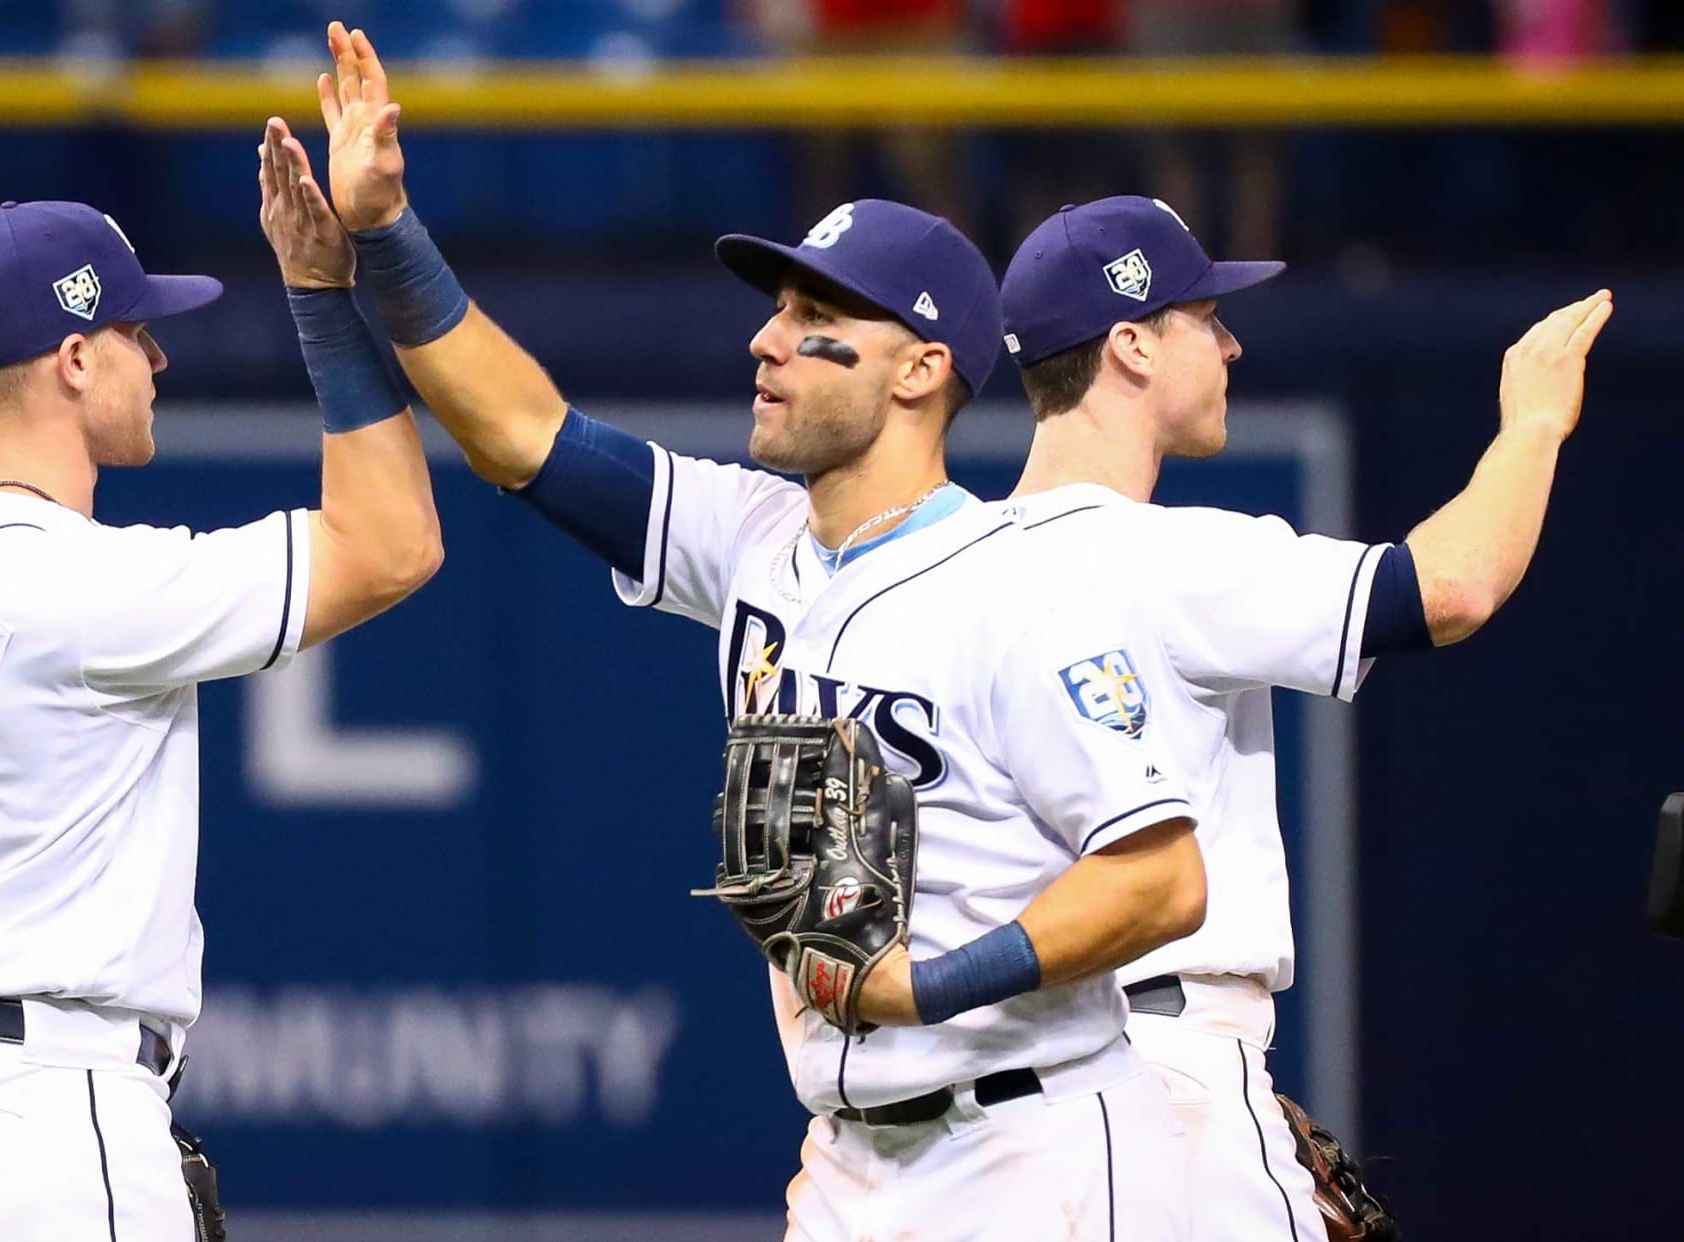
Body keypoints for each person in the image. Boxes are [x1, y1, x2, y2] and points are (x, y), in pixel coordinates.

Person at [299, 22, 1205, 1239]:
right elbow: (522, 435)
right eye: (775, 308)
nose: (765, 343)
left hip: (1034, 1148)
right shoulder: (756, 538)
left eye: (814, 316)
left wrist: (930, 985)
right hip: (851, 1160)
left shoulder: (1022, 590)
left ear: (921, 369)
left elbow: (1161, 877)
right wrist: (384, 232)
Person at [0, 141, 442, 1241]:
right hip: (40, 1110)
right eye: (133, 330)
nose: (154, 354)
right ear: (71, 361)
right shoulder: (87, 585)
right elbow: (393, 546)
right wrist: (320, 295)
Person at [997, 195, 1611, 1242]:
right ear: (1131, 343)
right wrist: (1536, 424)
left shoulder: (945, 574)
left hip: (1015, 1104)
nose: (1231, 342)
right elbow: (1450, 588)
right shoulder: (1169, 558)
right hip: (1169, 1077)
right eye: (1205, 316)